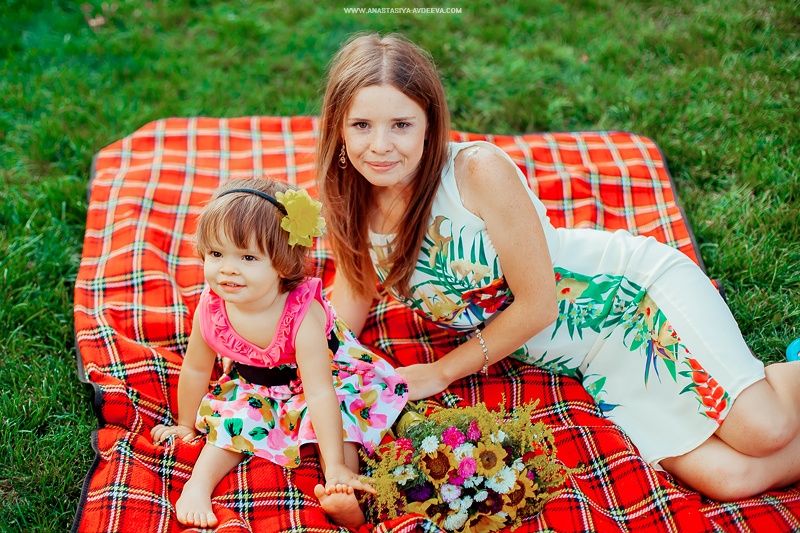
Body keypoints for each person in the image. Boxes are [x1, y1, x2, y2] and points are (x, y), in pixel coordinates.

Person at [317, 33, 800, 502]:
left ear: (429, 122)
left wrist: (441, 372)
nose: (380, 145)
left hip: (631, 298)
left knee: (767, 430)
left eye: (401, 124)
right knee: (729, 479)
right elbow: (347, 305)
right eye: (362, 125)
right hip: (591, 360)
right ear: (338, 127)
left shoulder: (474, 171)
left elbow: (539, 305)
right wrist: (304, 358)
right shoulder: (352, 205)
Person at [151, 178, 408, 529]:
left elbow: (320, 392)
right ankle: (197, 486)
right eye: (216, 254)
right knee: (231, 422)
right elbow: (197, 368)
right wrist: (185, 424)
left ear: (283, 264)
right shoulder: (211, 309)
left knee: (342, 422)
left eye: (248, 257)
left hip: (324, 380)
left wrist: (334, 463)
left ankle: (340, 486)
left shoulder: (302, 316)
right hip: (256, 385)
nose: (227, 268)